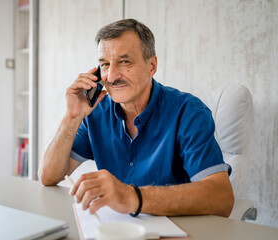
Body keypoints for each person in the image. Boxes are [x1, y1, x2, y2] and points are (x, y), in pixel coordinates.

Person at [38, 19, 234, 218]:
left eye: (124, 62)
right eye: (105, 64)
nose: (112, 76)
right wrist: (72, 117)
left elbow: (222, 198)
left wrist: (132, 197)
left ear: (152, 66)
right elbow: (48, 176)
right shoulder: (95, 112)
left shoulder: (189, 113)